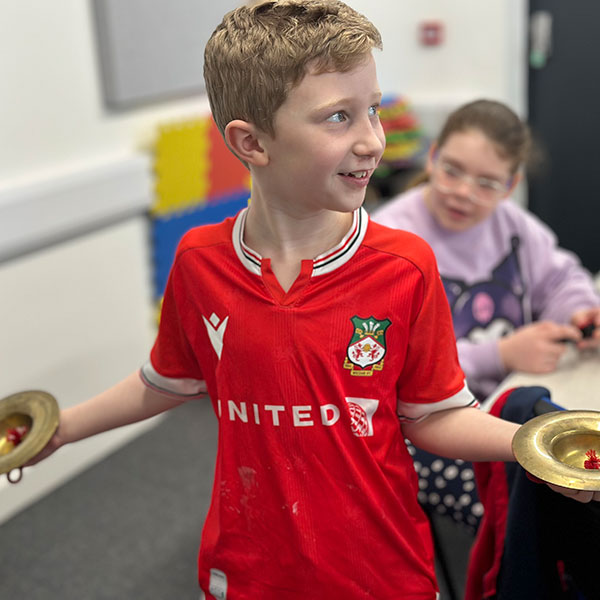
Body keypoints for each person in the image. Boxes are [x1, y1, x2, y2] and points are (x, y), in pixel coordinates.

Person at [27, 6, 599, 600]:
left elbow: (431, 415)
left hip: (382, 571)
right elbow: (171, 378)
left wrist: (537, 448)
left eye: (372, 108)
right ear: (252, 143)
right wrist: (63, 429)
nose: (373, 139)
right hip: (248, 569)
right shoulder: (199, 261)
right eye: (339, 118)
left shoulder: (405, 266)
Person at [372, 99, 600, 403]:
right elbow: (389, 357)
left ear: (510, 186)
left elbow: (560, 281)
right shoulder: (387, 240)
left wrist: (580, 313)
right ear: (432, 157)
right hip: (424, 423)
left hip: (502, 401)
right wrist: (498, 356)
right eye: (452, 171)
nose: (464, 193)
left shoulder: (514, 226)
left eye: (487, 184)